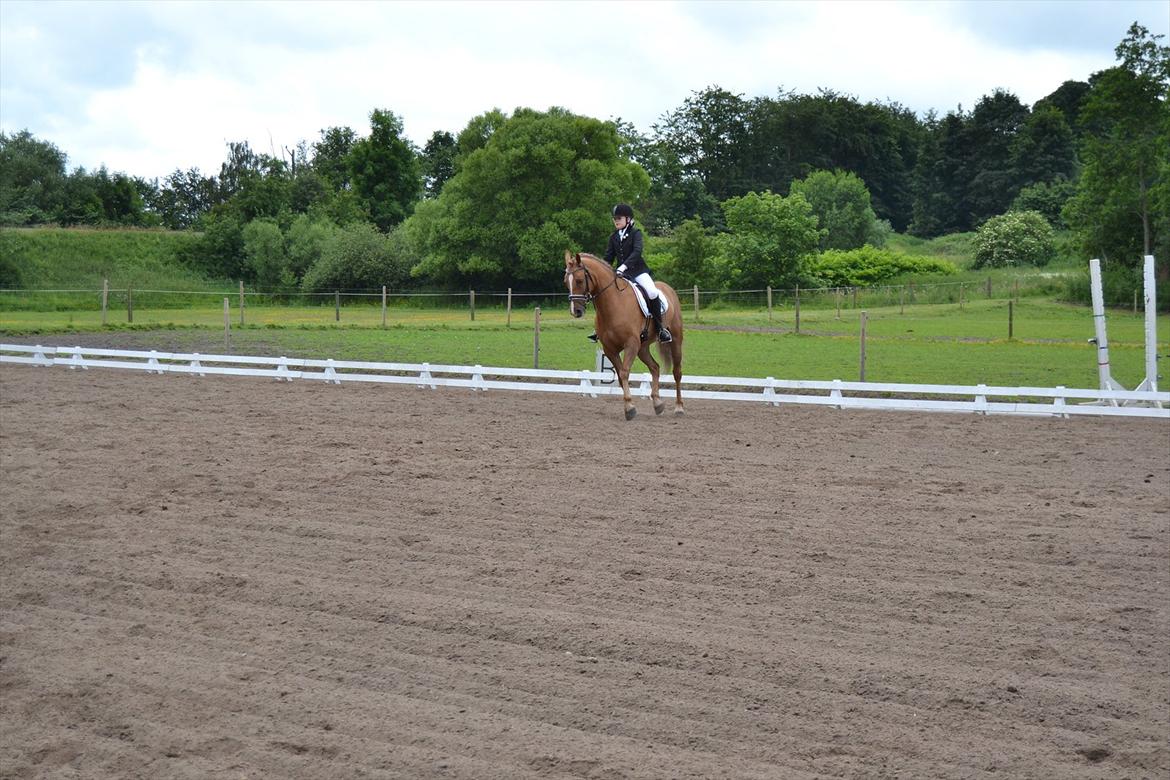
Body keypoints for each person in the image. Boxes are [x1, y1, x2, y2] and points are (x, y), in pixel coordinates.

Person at [588, 203, 672, 343]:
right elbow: (609, 257)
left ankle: (660, 329)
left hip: (638, 272)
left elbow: (637, 252)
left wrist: (624, 266)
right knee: (604, 294)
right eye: (614, 218)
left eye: (619, 218)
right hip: (621, 274)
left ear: (628, 219)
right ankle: (599, 329)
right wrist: (601, 270)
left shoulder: (636, 233)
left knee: (652, 292)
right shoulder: (614, 237)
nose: (616, 221)